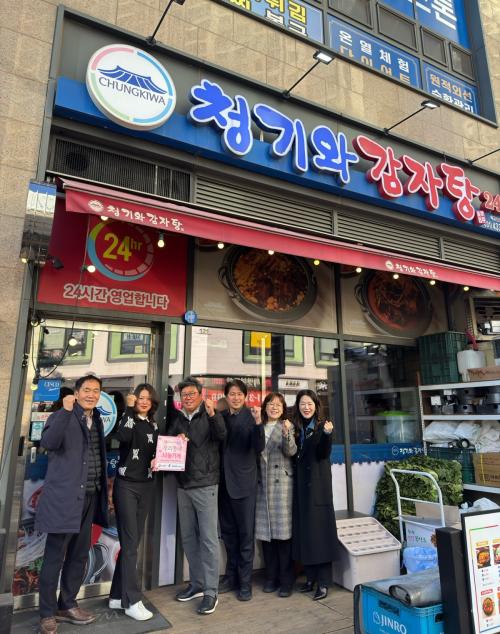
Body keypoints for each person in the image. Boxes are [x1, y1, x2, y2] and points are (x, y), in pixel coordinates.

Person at [35, 375, 108, 634]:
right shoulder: (61, 416)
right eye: (86, 389)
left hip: (89, 496)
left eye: (96, 391)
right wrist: (65, 412)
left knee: (78, 555)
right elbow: (48, 443)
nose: (91, 394)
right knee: (54, 557)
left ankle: (67, 605)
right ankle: (46, 613)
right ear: (76, 393)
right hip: (64, 499)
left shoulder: (96, 419)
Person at [167, 377, 226, 615]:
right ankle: (198, 583)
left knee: (209, 540)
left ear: (200, 395)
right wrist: (175, 441)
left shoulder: (210, 415)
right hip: (183, 485)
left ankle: (211, 591)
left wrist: (212, 414)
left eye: (192, 394)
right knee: (189, 538)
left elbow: (222, 435)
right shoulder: (178, 419)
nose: (188, 398)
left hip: (206, 484)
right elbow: (167, 445)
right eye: (184, 395)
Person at [109, 384, 160, 621]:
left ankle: (117, 596)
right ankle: (132, 600)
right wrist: (128, 410)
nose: (144, 401)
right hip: (126, 486)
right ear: (134, 399)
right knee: (130, 545)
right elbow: (123, 437)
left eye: (148, 398)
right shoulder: (127, 419)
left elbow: (154, 452)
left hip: (146, 485)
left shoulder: (153, 425)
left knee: (131, 543)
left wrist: (159, 459)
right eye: (140, 397)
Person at [218, 379, 265, 601]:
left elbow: (259, 446)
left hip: (244, 484)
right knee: (228, 535)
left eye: (239, 394)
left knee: (245, 536)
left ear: (245, 397)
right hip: (223, 484)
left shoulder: (252, 416)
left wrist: (258, 423)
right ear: (226, 397)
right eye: (232, 394)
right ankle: (231, 577)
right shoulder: (221, 417)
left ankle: (245, 583)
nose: (235, 397)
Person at [291, 389, 340, 601]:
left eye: (309, 403)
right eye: (302, 403)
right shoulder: (296, 428)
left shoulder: (322, 427)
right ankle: (310, 579)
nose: (306, 407)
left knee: (320, 535)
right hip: (301, 488)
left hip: (318, 489)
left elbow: (323, 452)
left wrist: (327, 435)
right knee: (306, 534)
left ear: (316, 406)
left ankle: (324, 582)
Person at [255, 392, 296, 598]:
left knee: (283, 536)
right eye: (271, 404)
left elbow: (291, 451)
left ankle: (286, 581)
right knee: (267, 536)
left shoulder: (287, 426)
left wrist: (288, 433)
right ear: (265, 407)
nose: (274, 407)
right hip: (262, 486)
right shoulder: (258, 427)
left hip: (282, 487)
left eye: (278, 405)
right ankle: (271, 578)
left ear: (283, 409)